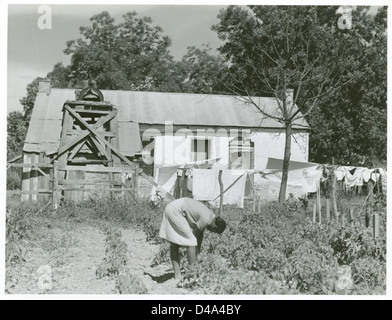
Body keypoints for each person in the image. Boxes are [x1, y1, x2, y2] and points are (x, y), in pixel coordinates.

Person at [159, 197, 227, 280]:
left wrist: (198, 252)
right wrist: (195, 256)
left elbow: (200, 234)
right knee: (190, 242)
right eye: (214, 231)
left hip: (173, 207)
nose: (212, 231)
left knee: (175, 243)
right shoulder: (206, 220)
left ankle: (177, 275)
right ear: (215, 227)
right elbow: (193, 238)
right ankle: (193, 274)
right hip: (175, 211)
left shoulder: (210, 216)